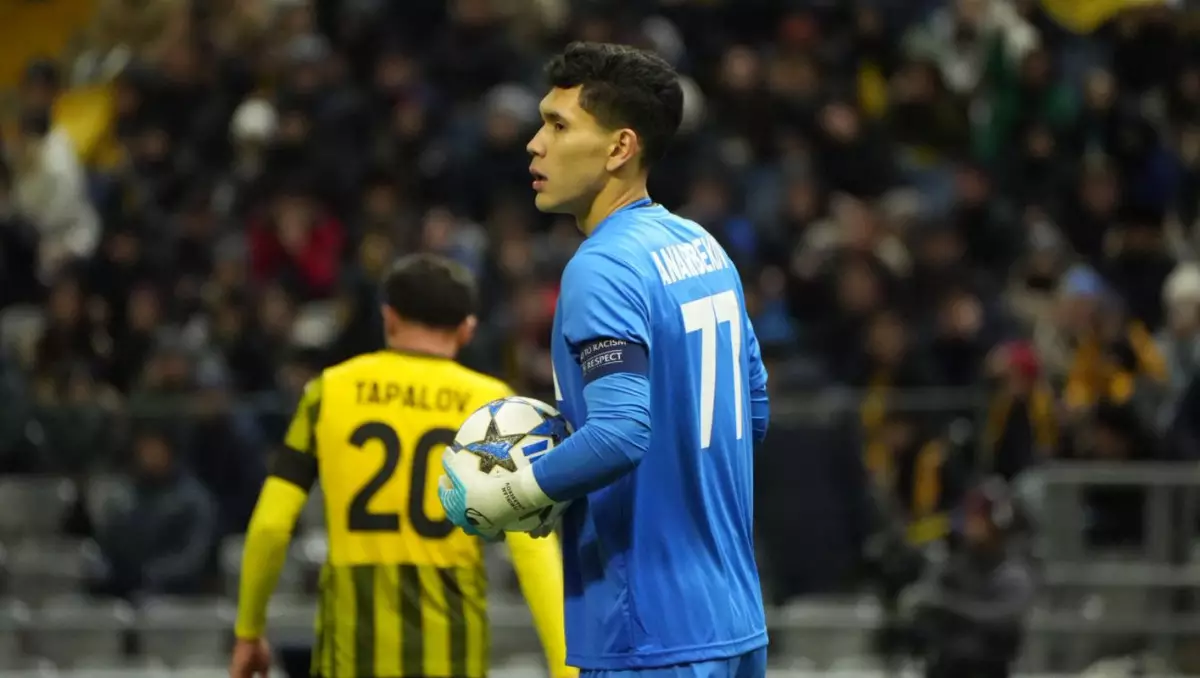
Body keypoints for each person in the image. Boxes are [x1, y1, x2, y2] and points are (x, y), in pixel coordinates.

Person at [439, 42, 771, 678]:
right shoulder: (702, 246)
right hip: (733, 619)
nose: (535, 144)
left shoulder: (602, 267)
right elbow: (752, 411)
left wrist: (515, 494)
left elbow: (620, 432)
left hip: (649, 634)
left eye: (559, 126)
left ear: (620, 147)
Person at [230, 254, 574, 678]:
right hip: (452, 654)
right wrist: (567, 669)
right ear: (467, 329)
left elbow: (270, 525)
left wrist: (249, 632)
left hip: (349, 656)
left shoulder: (328, 391)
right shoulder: (491, 404)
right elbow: (532, 549)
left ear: (389, 317)